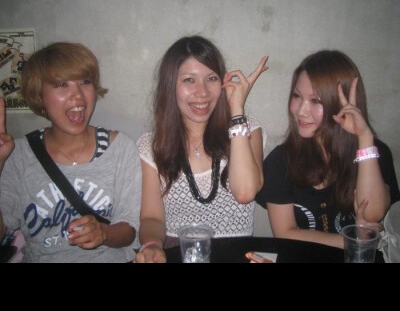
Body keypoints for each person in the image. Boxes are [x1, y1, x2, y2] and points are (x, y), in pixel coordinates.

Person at [0, 42, 141, 262]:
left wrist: (104, 233)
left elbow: (129, 231)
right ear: (39, 95)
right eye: (61, 84)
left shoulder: (120, 148)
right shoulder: (18, 155)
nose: (78, 96)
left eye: (85, 82)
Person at [135, 35, 268, 262]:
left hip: (236, 253)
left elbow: (245, 193)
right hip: (177, 253)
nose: (203, 92)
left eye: (212, 78)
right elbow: (151, 218)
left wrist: (237, 109)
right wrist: (152, 245)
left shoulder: (246, 130)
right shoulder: (152, 145)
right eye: (189, 80)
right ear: (170, 85)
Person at [256, 50, 400, 249]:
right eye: (297, 96)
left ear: (342, 103)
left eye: (316, 101)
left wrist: (365, 139)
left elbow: (372, 213)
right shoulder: (281, 161)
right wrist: (352, 240)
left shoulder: (374, 153)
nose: (301, 111)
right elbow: (285, 233)